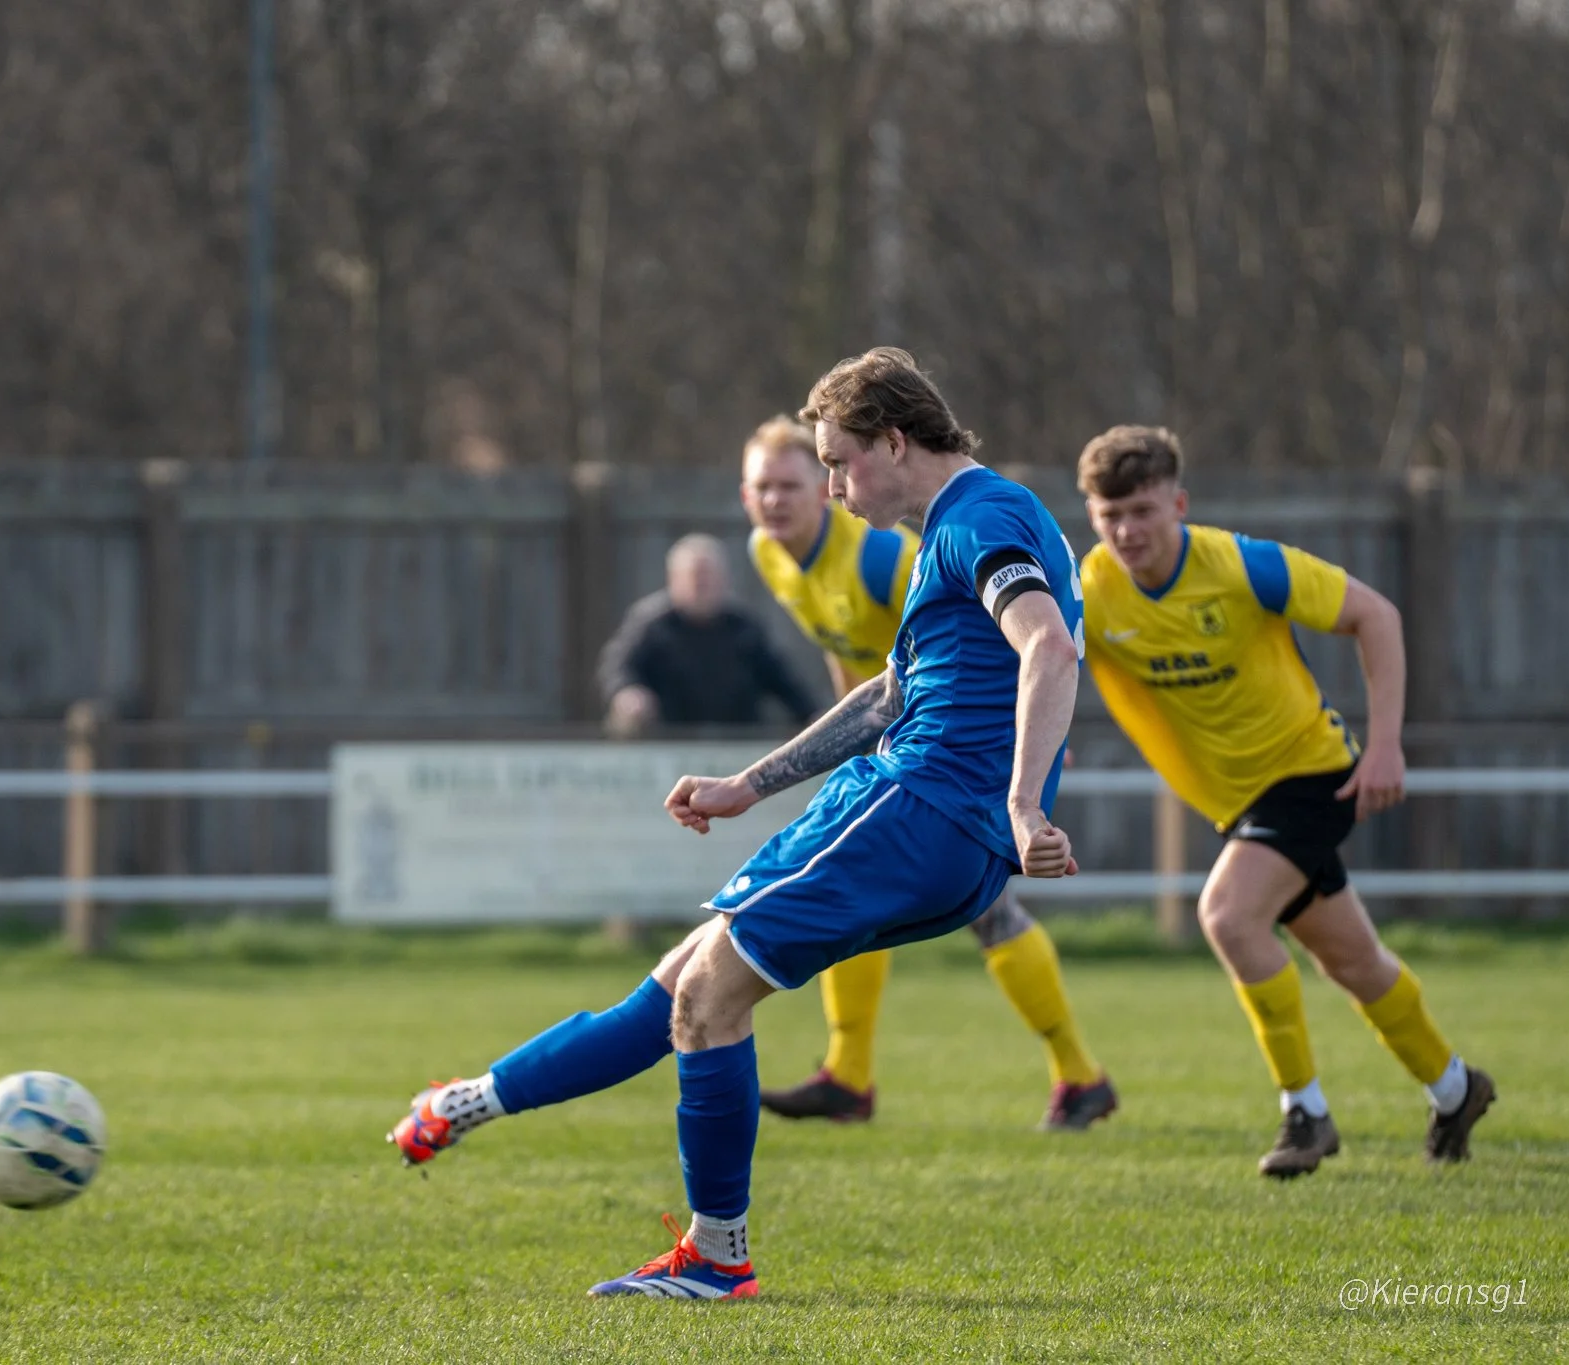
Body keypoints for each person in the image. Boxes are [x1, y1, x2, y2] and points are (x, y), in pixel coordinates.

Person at [388, 347, 1084, 1299]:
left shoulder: (977, 520)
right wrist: (748, 786)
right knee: (678, 988)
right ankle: (469, 1099)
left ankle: (718, 1255)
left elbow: (1046, 644)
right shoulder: (966, 525)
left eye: (837, 463)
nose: (834, 487)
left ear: (892, 439)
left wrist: (1022, 796)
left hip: (920, 808)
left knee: (705, 1001)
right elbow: (894, 693)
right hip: (929, 817)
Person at [1075, 426, 1494, 1177]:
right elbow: (1040, 660)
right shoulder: (1093, 590)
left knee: (1229, 915)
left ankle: (1306, 1112)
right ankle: (1456, 1087)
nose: (1128, 530)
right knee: (1353, 960)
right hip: (1240, 804)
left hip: (1312, 772)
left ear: (1179, 502)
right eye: (1111, 516)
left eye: (1143, 510)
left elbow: (1378, 616)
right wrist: (1036, 746)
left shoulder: (1242, 565)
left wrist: (1389, 745)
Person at [741, 416, 1116, 1129]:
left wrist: (1023, 752)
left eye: (794, 483)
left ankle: (1079, 1072)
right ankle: (849, 1074)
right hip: (897, 751)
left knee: (984, 912)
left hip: (959, 757)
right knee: (855, 893)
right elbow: (853, 654)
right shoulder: (771, 555)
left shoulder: (884, 555)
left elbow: (969, 648)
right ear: (744, 494)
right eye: (764, 486)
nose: (780, 499)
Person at [597, 533, 821, 737]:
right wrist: (627, 693)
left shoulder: (744, 628)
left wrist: (812, 716)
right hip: (666, 745)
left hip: (734, 748)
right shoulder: (650, 624)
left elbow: (783, 680)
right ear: (673, 580)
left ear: (724, 580)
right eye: (694, 577)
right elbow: (617, 667)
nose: (701, 585)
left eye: (707, 577)